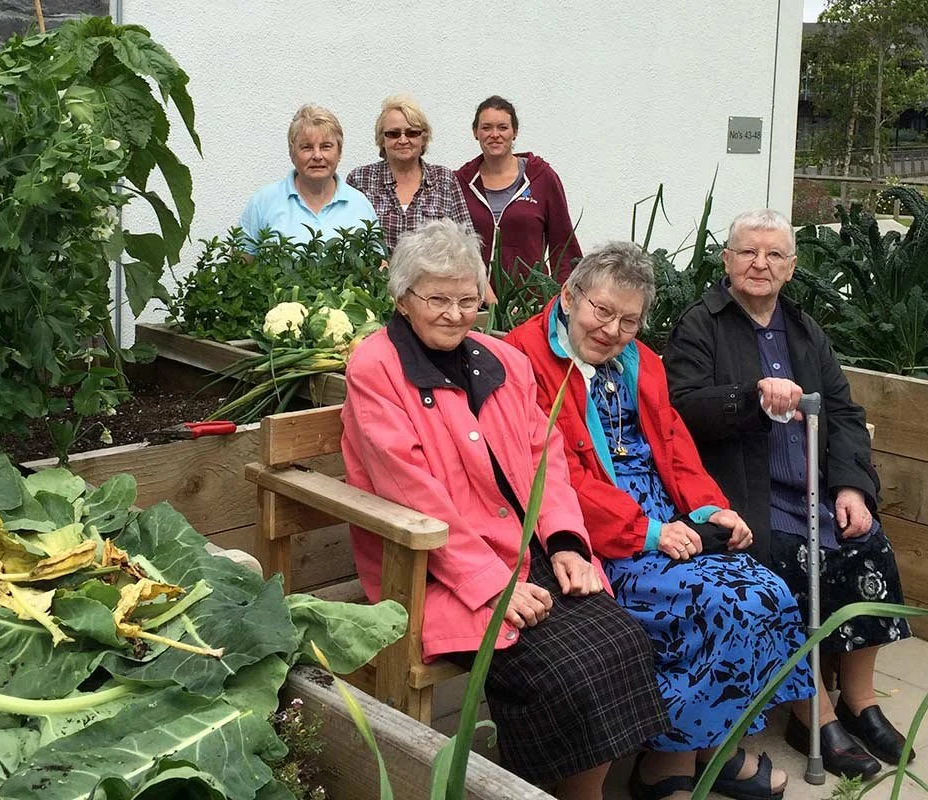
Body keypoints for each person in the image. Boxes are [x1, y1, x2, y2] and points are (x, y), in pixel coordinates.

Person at [340, 220, 668, 799]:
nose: (455, 313)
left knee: (623, 642)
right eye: (437, 298)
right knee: (561, 670)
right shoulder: (377, 367)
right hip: (437, 569)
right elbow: (409, 495)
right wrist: (492, 585)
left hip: (527, 549)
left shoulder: (500, 360)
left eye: (468, 299)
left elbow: (548, 460)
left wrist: (567, 541)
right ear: (402, 298)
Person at [506, 241, 812, 800]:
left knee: (768, 590)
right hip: (600, 539)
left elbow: (672, 442)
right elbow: (555, 475)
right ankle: (674, 764)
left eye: (629, 320)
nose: (612, 330)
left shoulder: (639, 359)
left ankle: (694, 750)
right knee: (716, 603)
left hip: (670, 523)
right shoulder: (523, 357)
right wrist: (647, 532)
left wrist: (709, 507)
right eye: (601, 311)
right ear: (570, 296)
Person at [662, 208, 914, 779]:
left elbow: (845, 412)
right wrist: (751, 397)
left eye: (774, 254)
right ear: (726, 260)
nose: (760, 263)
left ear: (791, 267)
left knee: (868, 546)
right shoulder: (701, 323)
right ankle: (811, 712)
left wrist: (851, 486)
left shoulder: (803, 329)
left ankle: (860, 700)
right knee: (793, 566)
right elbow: (682, 408)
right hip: (746, 492)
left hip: (813, 491)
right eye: (748, 251)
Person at [456, 95, 582, 284]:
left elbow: (562, 243)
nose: (495, 134)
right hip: (473, 302)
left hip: (529, 301)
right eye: (486, 127)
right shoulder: (460, 182)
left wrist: (566, 297)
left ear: (514, 132)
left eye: (503, 127)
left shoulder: (542, 178)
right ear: (476, 132)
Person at [238, 103, 378, 254]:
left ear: (339, 153)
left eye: (326, 146)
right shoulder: (263, 203)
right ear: (292, 153)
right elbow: (241, 267)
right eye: (307, 147)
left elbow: (377, 265)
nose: (317, 156)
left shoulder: (360, 205)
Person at [346, 95, 474, 253]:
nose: (403, 140)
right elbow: (347, 239)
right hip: (374, 277)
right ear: (382, 139)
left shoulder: (444, 179)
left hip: (433, 277)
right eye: (393, 134)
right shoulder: (360, 179)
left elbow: (466, 241)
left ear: (424, 138)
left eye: (412, 133)